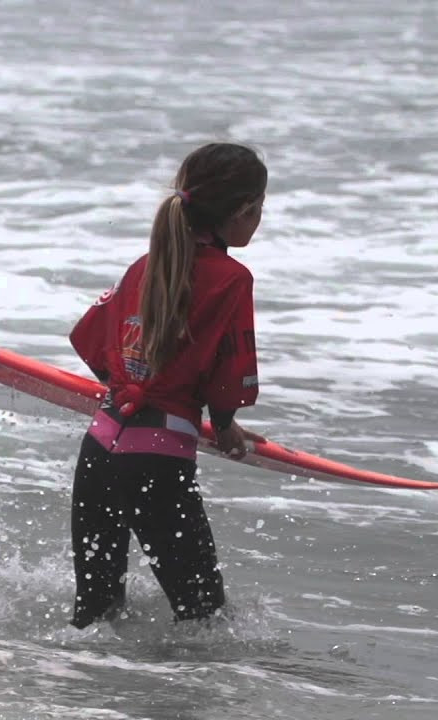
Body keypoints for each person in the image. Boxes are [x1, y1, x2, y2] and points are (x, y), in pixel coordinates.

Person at [66, 142, 266, 628]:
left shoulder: (144, 265)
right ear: (241, 211)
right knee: (205, 621)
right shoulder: (230, 279)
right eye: (260, 208)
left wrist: (133, 385)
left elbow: (89, 339)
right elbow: (229, 373)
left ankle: (74, 694)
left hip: (98, 451)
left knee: (95, 614)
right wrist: (224, 424)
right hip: (155, 464)